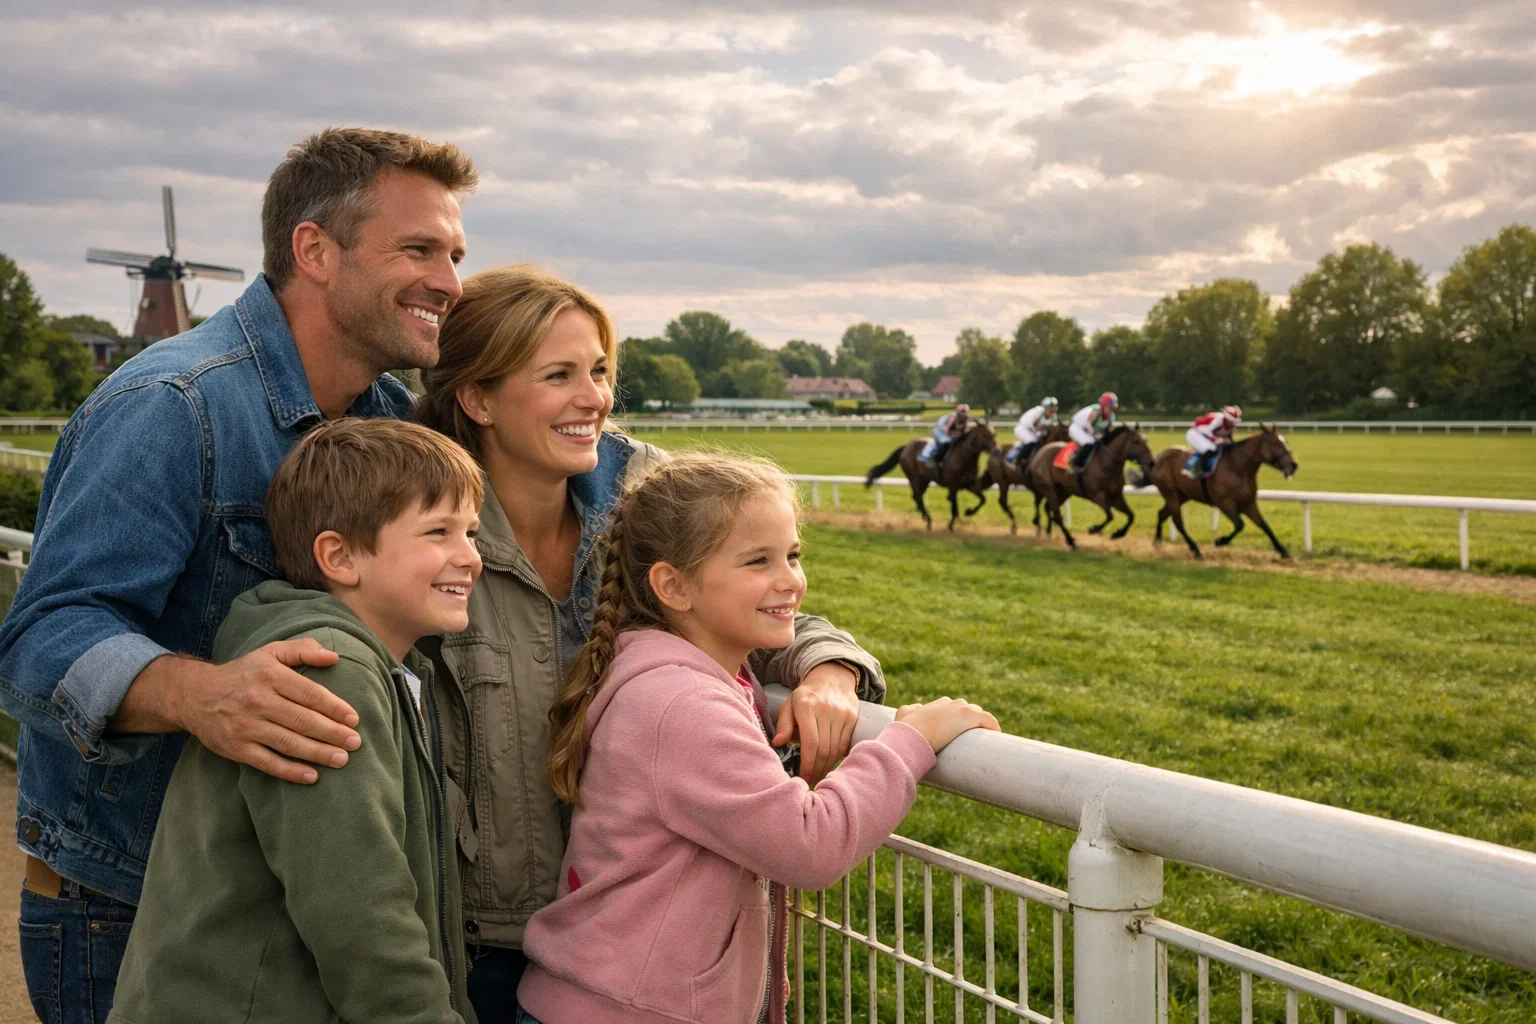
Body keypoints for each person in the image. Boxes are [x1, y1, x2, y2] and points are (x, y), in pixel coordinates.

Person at [0, 127, 477, 1022]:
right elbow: (39, 638)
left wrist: (811, 650)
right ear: (314, 250)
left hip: (282, 914)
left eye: (453, 252)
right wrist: (200, 694)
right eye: (418, 248)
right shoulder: (171, 407)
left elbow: (578, 467)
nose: (449, 280)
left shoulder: (387, 420)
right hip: (133, 913)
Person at [416, 266, 886, 1021]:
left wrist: (830, 671)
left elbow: (756, 600)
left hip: (629, 953)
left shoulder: (644, 495)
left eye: (600, 371)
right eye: (559, 375)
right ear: (477, 399)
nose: (594, 398)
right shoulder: (420, 531)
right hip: (471, 949)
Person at [516, 454, 999, 1024]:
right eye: (757, 561)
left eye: (792, 555)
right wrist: (909, 742)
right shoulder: (680, 705)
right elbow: (810, 845)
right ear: (673, 585)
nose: (790, 580)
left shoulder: (691, 677)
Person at [107, 418, 483, 1024]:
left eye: (471, 532)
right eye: (438, 532)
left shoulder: (391, 665)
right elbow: (359, 912)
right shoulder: (328, 672)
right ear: (338, 555)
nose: (470, 557)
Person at [1184, 405, 1242, 478]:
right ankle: (1196, 469)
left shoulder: (1232, 427)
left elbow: (1230, 440)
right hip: (1196, 433)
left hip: (1206, 435)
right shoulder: (1218, 418)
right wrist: (1216, 439)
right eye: (1231, 420)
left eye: (1234, 421)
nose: (1232, 423)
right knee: (1210, 449)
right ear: (1226, 418)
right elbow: (1206, 431)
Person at [1069, 392, 1119, 472]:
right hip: (1077, 428)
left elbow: (1109, 431)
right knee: (1090, 442)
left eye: (1112, 408)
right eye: (1109, 407)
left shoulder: (1111, 417)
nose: (1111, 410)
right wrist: (1095, 434)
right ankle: (1077, 464)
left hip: (1089, 431)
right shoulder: (1096, 411)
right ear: (1103, 406)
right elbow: (1087, 425)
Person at [1007, 396, 1059, 465]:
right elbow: (1034, 424)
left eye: (1053, 410)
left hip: (1034, 431)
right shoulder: (1039, 412)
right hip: (1023, 429)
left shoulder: (1053, 416)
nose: (1052, 412)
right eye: (1050, 410)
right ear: (1045, 408)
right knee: (1032, 441)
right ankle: (1022, 458)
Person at [926, 403, 971, 470]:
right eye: (962, 411)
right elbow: (946, 430)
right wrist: (953, 435)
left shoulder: (965, 421)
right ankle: (935, 460)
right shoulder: (952, 418)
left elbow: (963, 432)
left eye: (965, 412)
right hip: (940, 431)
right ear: (958, 412)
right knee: (946, 442)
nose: (964, 413)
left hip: (949, 432)